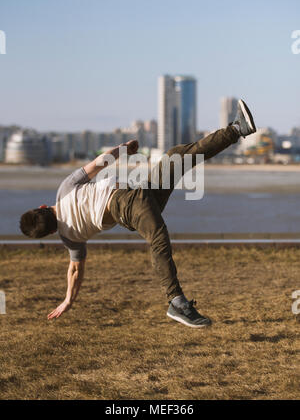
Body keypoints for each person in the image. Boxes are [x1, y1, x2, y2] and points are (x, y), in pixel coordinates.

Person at [20, 99, 256, 328]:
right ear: (42, 207)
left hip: (138, 198)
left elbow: (74, 270)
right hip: (125, 202)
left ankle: (237, 128)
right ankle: (177, 302)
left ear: (50, 232)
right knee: (158, 238)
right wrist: (123, 150)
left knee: (177, 156)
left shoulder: (69, 239)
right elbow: (98, 163)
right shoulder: (64, 190)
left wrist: (68, 299)